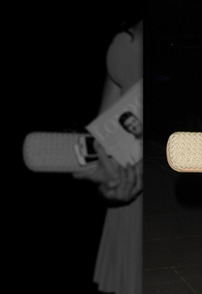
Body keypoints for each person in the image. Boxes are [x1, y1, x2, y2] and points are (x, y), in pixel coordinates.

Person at [72, 18, 143, 294]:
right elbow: (103, 146)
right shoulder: (126, 44)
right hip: (130, 200)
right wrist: (110, 186)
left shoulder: (126, 43)